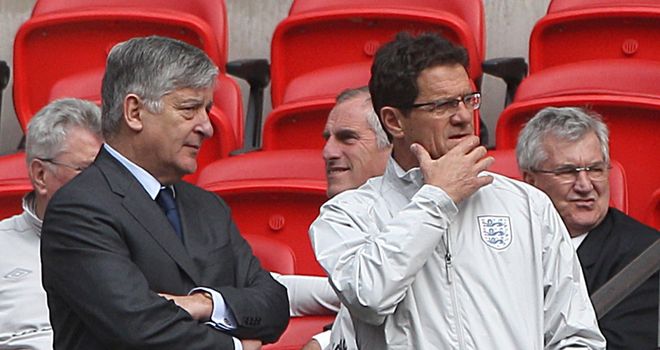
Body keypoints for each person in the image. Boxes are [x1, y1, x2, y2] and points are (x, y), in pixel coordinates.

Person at [309, 32, 606, 349]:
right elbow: (368, 297)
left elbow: (576, 334)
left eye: (468, 99)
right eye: (443, 105)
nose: (464, 116)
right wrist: (438, 198)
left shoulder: (528, 205)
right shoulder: (348, 215)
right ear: (394, 121)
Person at [40, 36, 289, 350]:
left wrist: (206, 303)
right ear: (134, 112)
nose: (207, 127)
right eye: (189, 109)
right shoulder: (78, 209)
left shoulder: (208, 206)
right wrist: (236, 348)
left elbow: (274, 303)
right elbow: (138, 326)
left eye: (207, 110)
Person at [517, 106, 660, 350]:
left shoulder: (646, 257)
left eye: (595, 170)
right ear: (531, 181)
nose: (585, 185)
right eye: (567, 172)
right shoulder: (504, 243)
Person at [282, 86, 390, 350]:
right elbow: (345, 292)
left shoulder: (423, 222)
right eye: (327, 138)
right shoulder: (347, 216)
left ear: (391, 144)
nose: (328, 152)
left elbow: (373, 295)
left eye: (347, 138)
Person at [0, 98, 103, 350]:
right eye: (86, 170)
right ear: (40, 175)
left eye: (109, 171)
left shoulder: (138, 238)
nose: (105, 184)